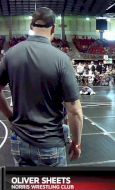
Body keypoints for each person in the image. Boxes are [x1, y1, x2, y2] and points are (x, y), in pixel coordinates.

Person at [0, 7, 83, 166]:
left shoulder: (11, 54)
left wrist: (11, 116)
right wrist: (77, 143)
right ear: (53, 28)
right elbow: (75, 111)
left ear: (31, 27)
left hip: (19, 141)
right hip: (50, 144)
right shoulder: (61, 59)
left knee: (26, 188)